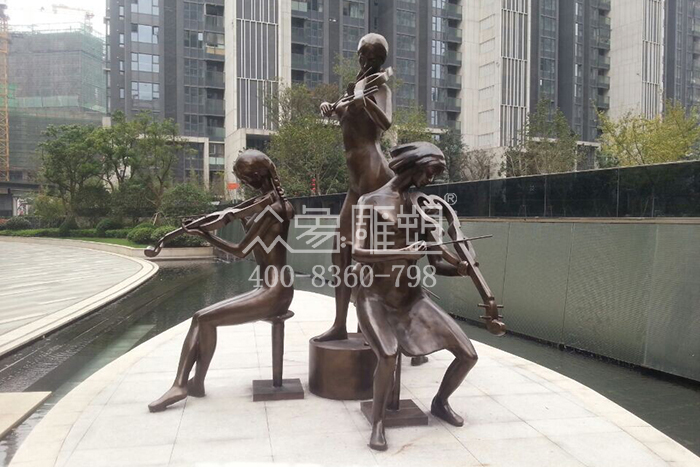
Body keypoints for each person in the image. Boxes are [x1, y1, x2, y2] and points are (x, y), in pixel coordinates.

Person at [351, 142, 479, 451]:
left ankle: (440, 402)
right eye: (430, 172)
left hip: (411, 298)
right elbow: (357, 252)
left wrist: (459, 269)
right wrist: (403, 253)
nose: (430, 180)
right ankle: (378, 422)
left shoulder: (422, 207)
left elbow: (435, 262)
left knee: (468, 354)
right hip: (374, 296)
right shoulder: (370, 201)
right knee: (388, 355)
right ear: (413, 166)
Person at [148, 150, 295, 413]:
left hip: (275, 292)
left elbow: (241, 251)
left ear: (256, 176)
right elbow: (257, 238)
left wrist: (204, 235)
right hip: (273, 286)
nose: (243, 184)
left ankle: (181, 385)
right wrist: (239, 217)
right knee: (201, 318)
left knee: (203, 317)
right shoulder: (271, 205)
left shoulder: (273, 209)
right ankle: (195, 384)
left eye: (244, 179)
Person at [316, 33, 394, 342]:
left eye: (372, 57)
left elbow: (386, 122)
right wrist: (329, 106)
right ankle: (339, 323)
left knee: (369, 255)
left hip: (374, 177)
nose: (365, 61)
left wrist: (366, 102)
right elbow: (343, 112)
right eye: (362, 55)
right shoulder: (354, 90)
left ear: (380, 60)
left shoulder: (379, 88)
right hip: (355, 181)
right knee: (340, 250)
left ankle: (369, 325)